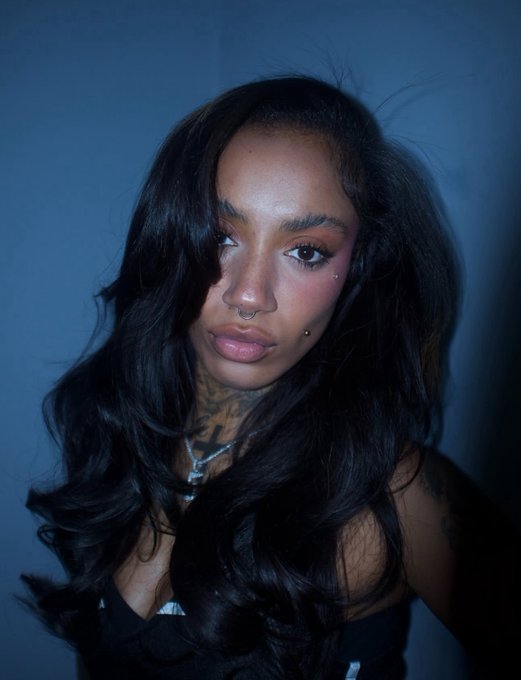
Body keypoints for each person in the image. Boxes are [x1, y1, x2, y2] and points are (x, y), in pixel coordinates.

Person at [23, 76, 521, 679]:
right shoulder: (122, 430)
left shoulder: (391, 493)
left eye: (306, 251)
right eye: (220, 236)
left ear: (358, 267)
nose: (249, 294)